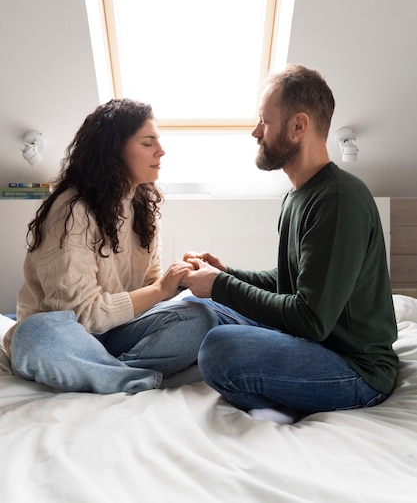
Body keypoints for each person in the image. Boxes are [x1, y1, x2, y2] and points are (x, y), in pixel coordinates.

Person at [182, 65, 399, 424]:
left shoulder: (339, 199)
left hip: (356, 369)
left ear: (299, 126)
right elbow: (295, 279)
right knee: (196, 302)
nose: (255, 132)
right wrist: (226, 274)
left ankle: (280, 406)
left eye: (264, 122)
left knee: (220, 348)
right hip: (314, 344)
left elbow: (310, 319)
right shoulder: (299, 195)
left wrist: (222, 285)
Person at [3, 99, 218, 394]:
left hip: (118, 331)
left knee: (201, 316)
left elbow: (149, 287)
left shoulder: (143, 206)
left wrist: (178, 280)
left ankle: (99, 371)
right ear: (114, 150)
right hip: (70, 333)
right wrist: (158, 291)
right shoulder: (72, 211)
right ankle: (131, 378)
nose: (161, 150)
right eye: (148, 142)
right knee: (35, 335)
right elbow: (81, 315)